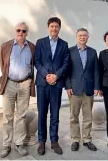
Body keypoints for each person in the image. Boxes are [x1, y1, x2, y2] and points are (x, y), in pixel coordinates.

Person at [0, 22, 35, 158]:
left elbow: (33, 65)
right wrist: (6, 80)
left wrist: (30, 81)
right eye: (18, 30)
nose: (21, 33)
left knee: (21, 115)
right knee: (7, 116)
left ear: (27, 33)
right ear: (15, 31)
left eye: (24, 31)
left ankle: (19, 143)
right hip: (9, 84)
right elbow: (3, 65)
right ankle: (6, 144)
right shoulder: (6, 46)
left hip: (25, 84)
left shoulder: (32, 47)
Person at [35, 17, 69, 155]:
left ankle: (54, 141)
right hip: (43, 84)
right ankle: (42, 142)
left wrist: (56, 76)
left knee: (55, 114)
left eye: (56, 26)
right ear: (48, 27)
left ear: (59, 28)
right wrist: (46, 75)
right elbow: (37, 61)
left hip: (56, 84)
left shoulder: (64, 44)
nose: (54, 28)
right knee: (42, 114)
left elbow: (66, 63)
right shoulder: (40, 42)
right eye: (52, 26)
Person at [65, 28, 99, 152]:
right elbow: (67, 71)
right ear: (76, 37)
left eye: (85, 35)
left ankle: (87, 139)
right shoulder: (70, 51)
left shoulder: (93, 52)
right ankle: (75, 139)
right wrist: (68, 86)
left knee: (88, 116)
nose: (82, 37)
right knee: (73, 116)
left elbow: (96, 70)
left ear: (88, 37)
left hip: (89, 89)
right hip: (74, 89)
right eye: (80, 35)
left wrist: (96, 86)